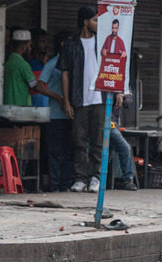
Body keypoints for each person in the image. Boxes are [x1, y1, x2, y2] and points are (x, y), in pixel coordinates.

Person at [57, 6, 105, 193]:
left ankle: (95, 177)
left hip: (99, 98)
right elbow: (65, 74)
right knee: (79, 141)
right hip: (79, 99)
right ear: (85, 22)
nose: (97, 24)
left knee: (98, 141)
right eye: (95, 20)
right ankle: (80, 178)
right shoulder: (71, 44)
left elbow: (114, 69)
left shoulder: (103, 42)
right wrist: (66, 101)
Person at [34, 31, 73, 192]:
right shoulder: (52, 64)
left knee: (70, 152)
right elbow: (39, 85)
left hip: (72, 116)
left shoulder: (75, 63)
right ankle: (55, 186)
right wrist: (58, 97)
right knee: (56, 152)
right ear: (63, 45)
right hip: (56, 116)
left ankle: (67, 185)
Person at [110, 94, 137, 191]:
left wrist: (121, 94)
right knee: (124, 147)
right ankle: (127, 179)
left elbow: (127, 102)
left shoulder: (122, 82)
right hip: (100, 122)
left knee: (119, 149)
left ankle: (127, 180)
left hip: (113, 124)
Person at [3, 29, 37, 106]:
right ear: (23, 47)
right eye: (29, 46)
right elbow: (35, 85)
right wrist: (56, 96)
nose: (30, 49)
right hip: (20, 109)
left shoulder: (8, 62)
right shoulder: (23, 64)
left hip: (7, 107)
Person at [28, 28, 49, 107]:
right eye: (42, 41)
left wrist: (45, 64)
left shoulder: (49, 62)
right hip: (32, 105)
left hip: (47, 106)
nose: (45, 44)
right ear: (33, 43)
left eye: (46, 41)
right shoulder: (27, 63)